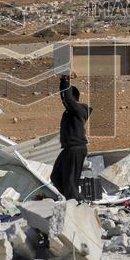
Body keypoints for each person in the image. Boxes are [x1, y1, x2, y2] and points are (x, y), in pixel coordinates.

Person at [50, 72, 92, 200]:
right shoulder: (70, 111)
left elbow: (67, 99)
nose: (65, 101)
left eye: (68, 96)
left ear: (75, 97)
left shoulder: (81, 110)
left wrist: (66, 80)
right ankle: (72, 199)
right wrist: (62, 83)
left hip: (76, 148)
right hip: (68, 149)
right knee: (56, 176)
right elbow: (65, 98)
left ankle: (76, 202)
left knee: (70, 181)